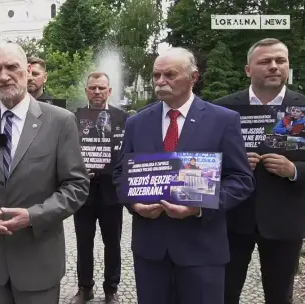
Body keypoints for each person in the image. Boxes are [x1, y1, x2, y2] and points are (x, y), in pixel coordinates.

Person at [113, 47, 255, 304]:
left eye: (169, 74)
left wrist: (198, 207)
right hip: (151, 250)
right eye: (156, 75)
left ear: (193, 77)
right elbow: (120, 174)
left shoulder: (223, 120)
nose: (160, 81)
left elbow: (241, 180)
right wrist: (133, 204)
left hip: (202, 249)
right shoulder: (137, 122)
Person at [0, 43, 90, 303]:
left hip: (38, 260)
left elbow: (76, 186)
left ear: (28, 71)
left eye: (11, 67)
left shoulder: (60, 121)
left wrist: (33, 216)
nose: (4, 75)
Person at [213, 38, 305, 304]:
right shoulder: (222, 108)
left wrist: (294, 170)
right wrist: (232, 163)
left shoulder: (302, 107)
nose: (274, 67)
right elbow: (203, 159)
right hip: (232, 218)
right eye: (265, 61)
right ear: (248, 69)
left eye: (280, 60)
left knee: (279, 296)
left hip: (284, 221)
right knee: (225, 293)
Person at [72, 72, 128, 304]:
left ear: (109, 91)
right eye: (93, 88)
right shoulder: (73, 117)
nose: (97, 92)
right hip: (82, 191)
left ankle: (111, 288)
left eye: (101, 88)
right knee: (83, 242)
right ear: (86, 91)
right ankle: (85, 287)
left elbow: (128, 153)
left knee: (112, 243)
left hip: (111, 192)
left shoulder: (123, 117)